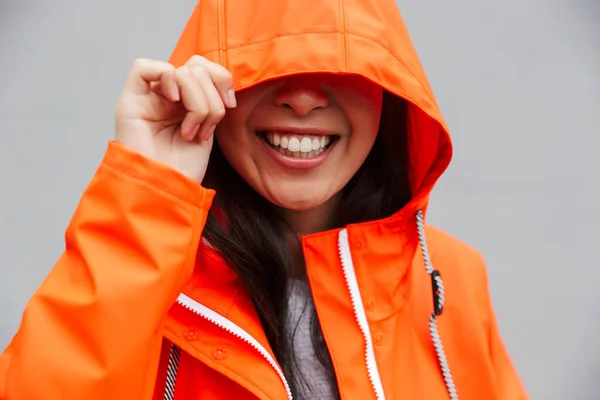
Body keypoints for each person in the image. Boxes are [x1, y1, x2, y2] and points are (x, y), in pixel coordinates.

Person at [0, 0, 528, 399]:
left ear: (388, 89)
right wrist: (147, 193)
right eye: (268, 69)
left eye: (341, 64)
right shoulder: (146, 271)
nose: (302, 98)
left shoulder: (453, 277)